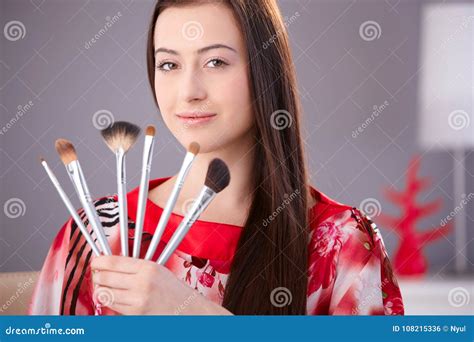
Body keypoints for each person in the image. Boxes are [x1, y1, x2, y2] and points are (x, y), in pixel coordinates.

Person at [29, 0, 404, 316]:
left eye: (215, 63)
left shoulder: (342, 244)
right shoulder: (97, 234)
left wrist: (197, 315)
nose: (188, 91)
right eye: (169, 65)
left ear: (266, 72)